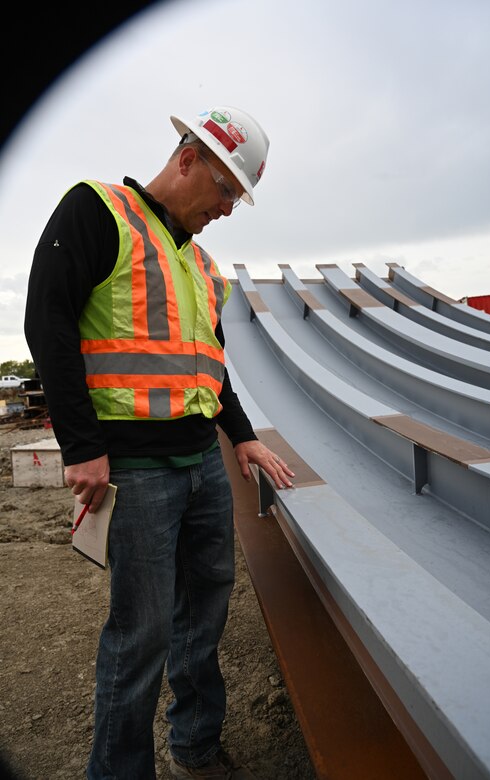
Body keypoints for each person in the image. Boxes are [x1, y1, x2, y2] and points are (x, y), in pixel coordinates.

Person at [24, 104, 294, 780]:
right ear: (186, 159)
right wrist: (80, 444)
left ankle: (196, 748)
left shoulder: (203, 268)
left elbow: (210, 364)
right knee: (141, 635)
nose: (228, 208)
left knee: (204, 611)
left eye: (238, 196)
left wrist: (241, 439)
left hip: (202, 465)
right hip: (136, 472)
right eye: (225, 188)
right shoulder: (99, 212)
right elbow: (47, 322)